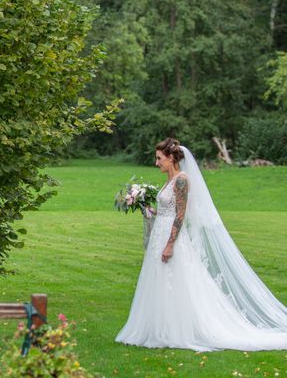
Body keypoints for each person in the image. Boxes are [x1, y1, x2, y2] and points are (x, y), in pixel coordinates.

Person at [116, 137, 287, 351]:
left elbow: (180, 215)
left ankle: (179, 330)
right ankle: (160, 327)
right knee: (159, 279)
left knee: (177, 280)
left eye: (159, 158)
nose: (156, 162)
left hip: (172, 238)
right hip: (160, 234)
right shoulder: (169, 181)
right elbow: (166, 212)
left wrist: (170, 244)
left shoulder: (181, 180)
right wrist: (149, 211)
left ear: (171, 158)